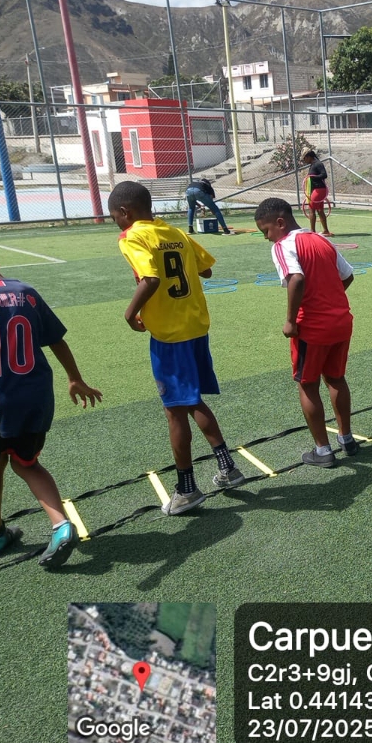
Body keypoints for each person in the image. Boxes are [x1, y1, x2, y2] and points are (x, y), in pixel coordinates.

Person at [0, 229, 103, 565]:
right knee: (28, 463)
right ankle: (61, 524)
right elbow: (56, 340)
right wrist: (75, 378)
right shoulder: (26, 292)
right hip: (35, 397)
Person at [107, 180, 246, 513]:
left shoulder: (132, 237)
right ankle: (227, 467)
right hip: (196, 325)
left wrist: (130, 313)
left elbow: (152, 278)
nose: (116, 223)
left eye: (115, 217)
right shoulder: (175, 232)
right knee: (191, 399)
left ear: (125, 212)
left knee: (175, 410)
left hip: (169, 335)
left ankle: (187, 489)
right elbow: (206, 269)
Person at [254, 199, 359, 465]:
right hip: (341, 321)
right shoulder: (320, 239)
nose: (266, 238)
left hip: (312, 328)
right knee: (336, 378)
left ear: (280, 223)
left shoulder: (283, 245)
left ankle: (323, 451)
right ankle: (347, 439)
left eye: (266, 231)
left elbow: (296, 278)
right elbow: (347, 275)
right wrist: (329, 300)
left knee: (308, 384)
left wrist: (290, 320)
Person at [300, 149, 331, 232]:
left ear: (309, 157)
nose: (304, 161)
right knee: (320, 210)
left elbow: (324, 175)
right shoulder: (313, 165)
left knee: (311, 210)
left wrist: (313, 177)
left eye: (304, 158)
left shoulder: (318, 164)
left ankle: (312, 231)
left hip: (319, 190)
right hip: (317, 190)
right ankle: (325, 230)